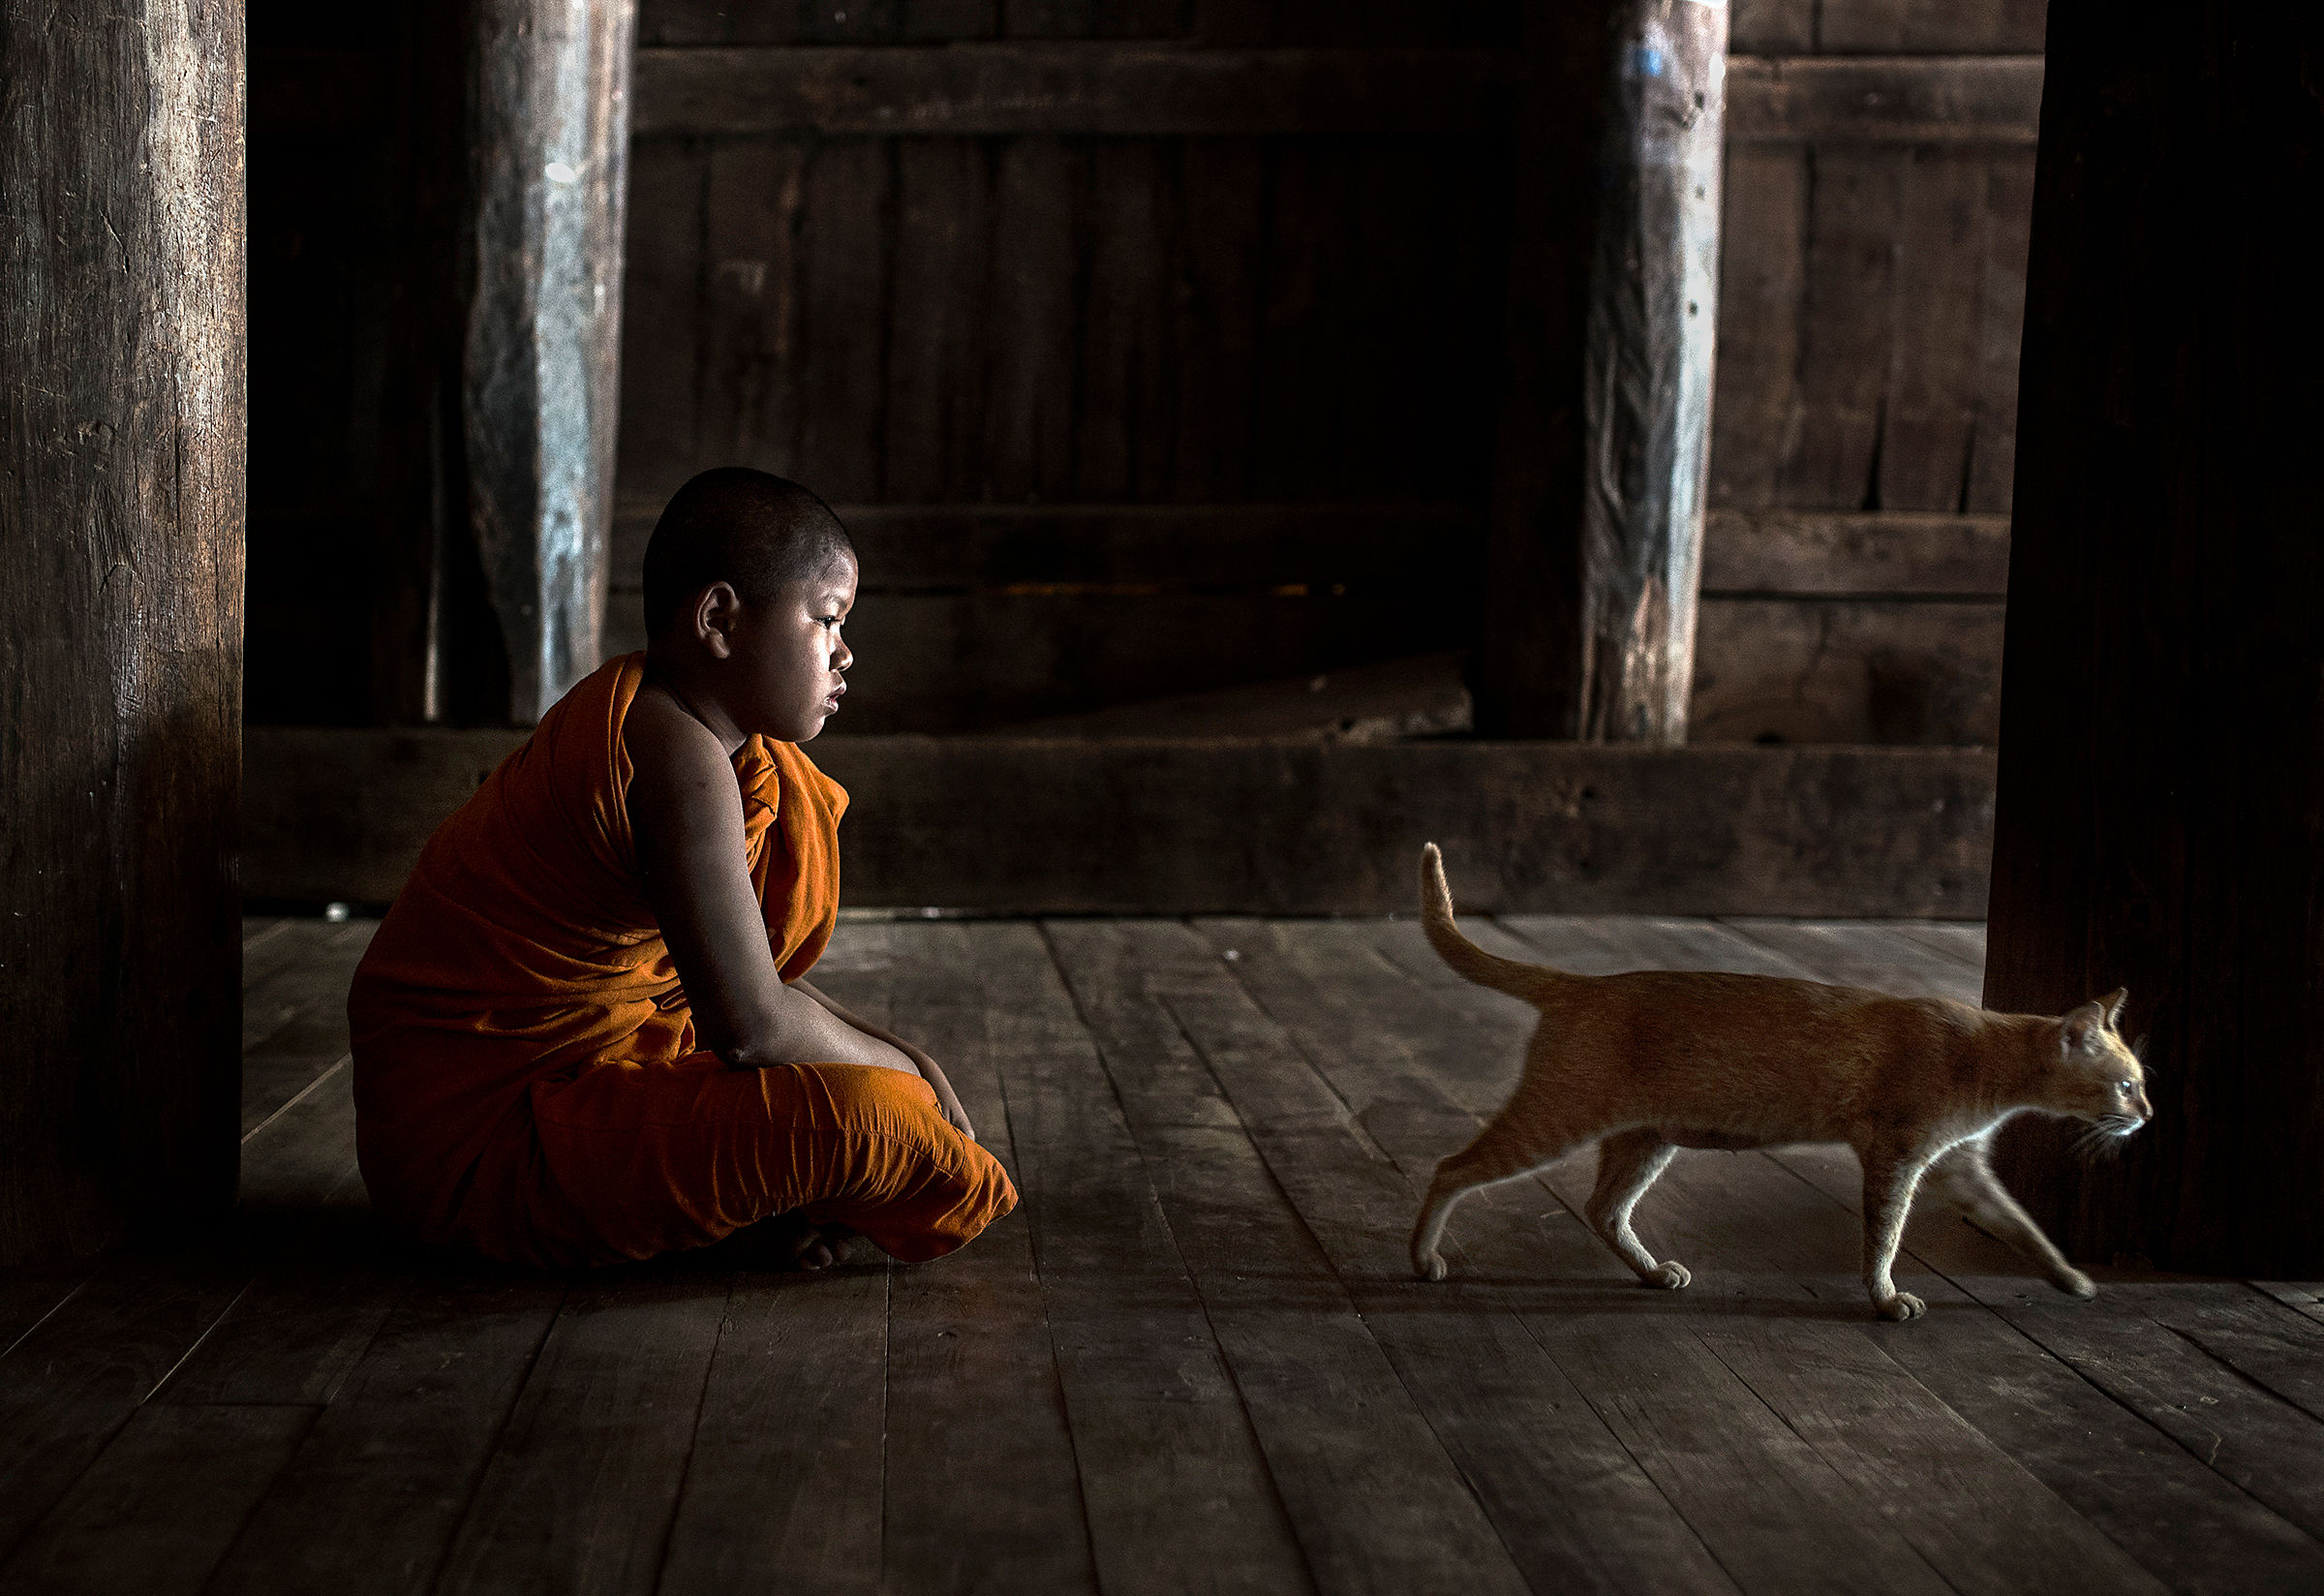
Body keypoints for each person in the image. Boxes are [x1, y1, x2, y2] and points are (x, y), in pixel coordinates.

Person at [347, 468, 1015, 1269]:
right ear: (719, 620)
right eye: (827, 619)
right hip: (484, 1142)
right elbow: (752, 1028)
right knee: (882, 1124)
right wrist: (910, 1080)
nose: (845, 652)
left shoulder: (705, 742)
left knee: (867, 1091)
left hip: (571, 1083)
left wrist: (905, 1054)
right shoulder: (674, 756)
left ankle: (739, 1212)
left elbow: (746, 981)